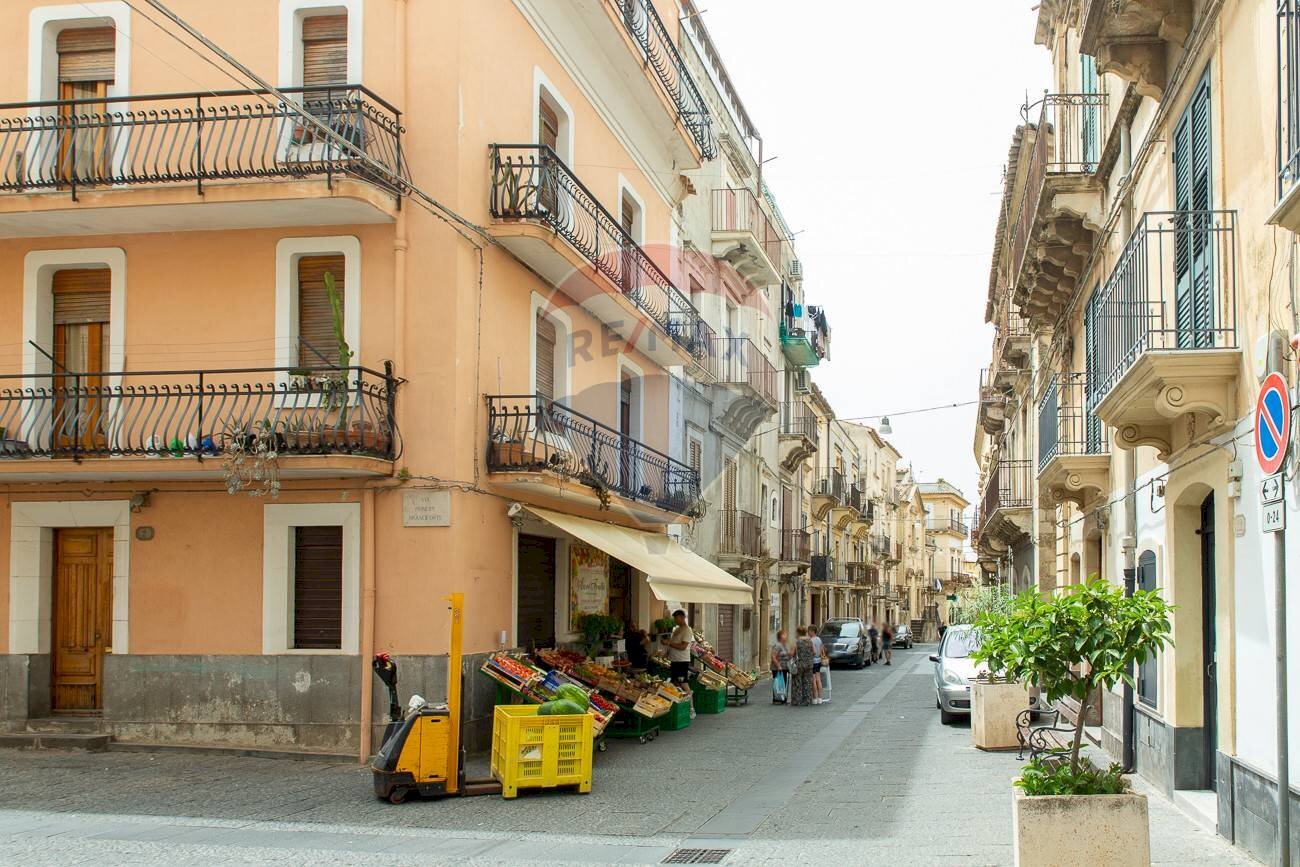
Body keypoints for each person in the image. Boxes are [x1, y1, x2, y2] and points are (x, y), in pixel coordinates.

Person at [662, 609, 694, 684]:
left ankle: (689, 695)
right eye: (674, 618)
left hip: (682, 661)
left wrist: (669, 643)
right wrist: (667, 652)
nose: (675, 620)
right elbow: (673, 643)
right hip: (674, 660)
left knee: (682, 683)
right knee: (675, 682)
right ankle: (679, 695)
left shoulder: (687, 630)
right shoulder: (676, 629)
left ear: (682, 617)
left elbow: (683, 646)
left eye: (676, 618)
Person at [789, 627, 815, 706]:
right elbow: (814, 652)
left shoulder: (797, 641)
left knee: (797, 682)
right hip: (809, 664)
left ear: (798, 633)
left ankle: (797, 700)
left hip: (799, 664)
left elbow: (792, 653)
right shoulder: (810, 641)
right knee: (807, 682)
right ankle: (807, 700)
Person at [769, 630, 791, 704]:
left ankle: (782, 698)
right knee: (777, 683)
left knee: (783, 683)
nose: (786, 636)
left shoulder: (784, 645)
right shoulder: (777, 645)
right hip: (777, 668)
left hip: (784, 668)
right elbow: (773, 656)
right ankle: (776, 699)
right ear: (780, 636)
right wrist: (778, 666)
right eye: (784, 634)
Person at [807, 624, 824, 705]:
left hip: (813, 661)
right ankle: (820, 698)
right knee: (818, 679)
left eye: (809, 631)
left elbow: (812, 652)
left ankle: (815, 698)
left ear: (812, 631)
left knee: (813, 680)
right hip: (819, 660)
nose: (808, 633)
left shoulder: (811, 640)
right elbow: (821, 650)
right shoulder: (819, 639)